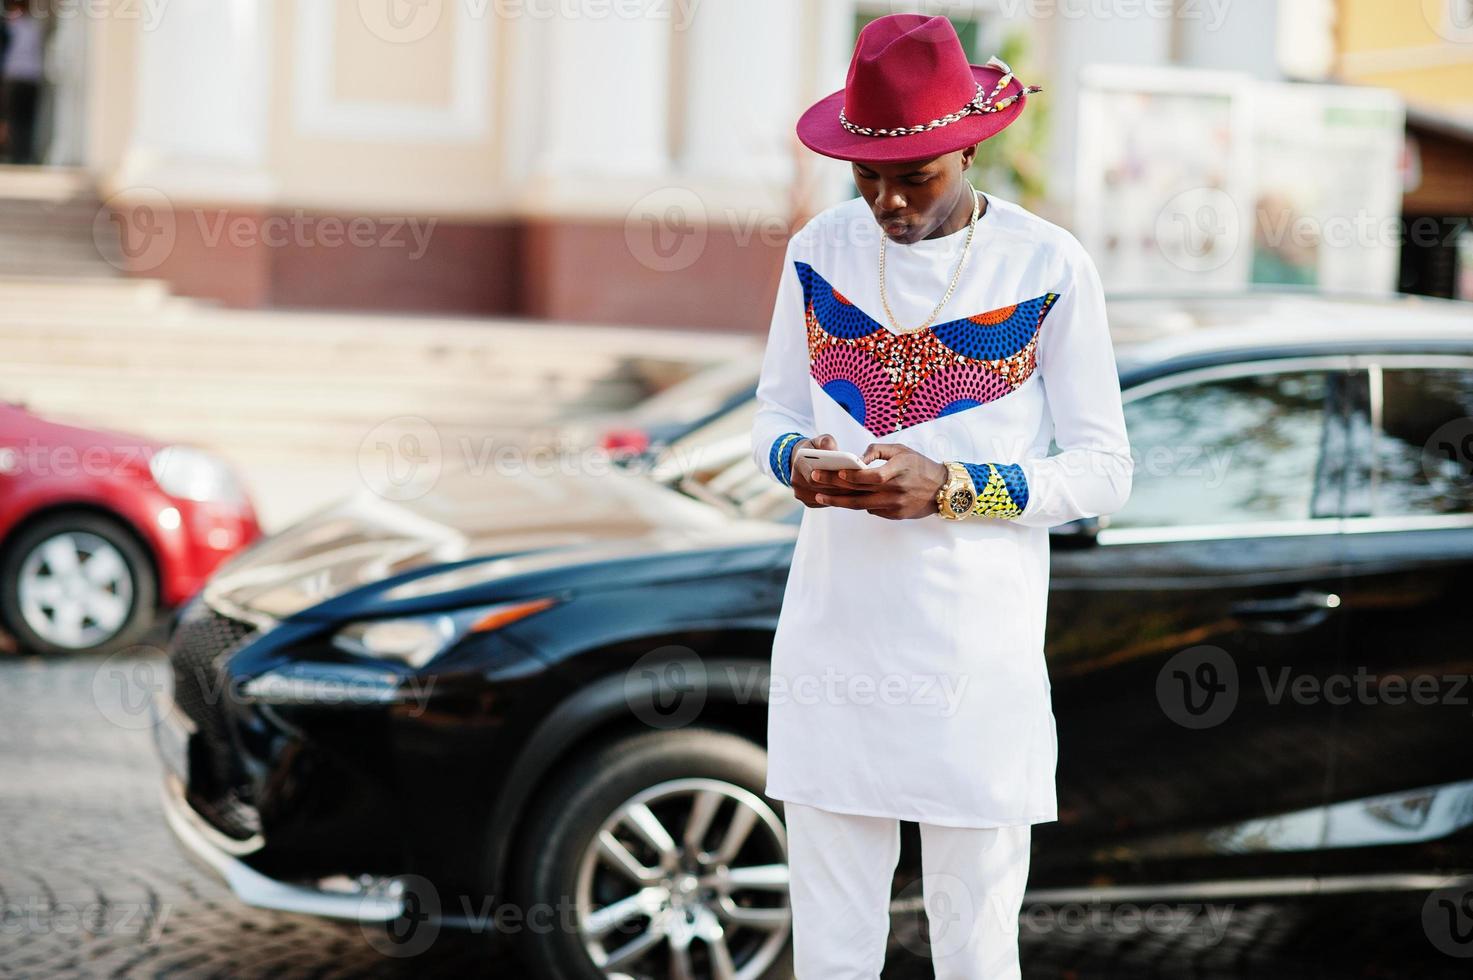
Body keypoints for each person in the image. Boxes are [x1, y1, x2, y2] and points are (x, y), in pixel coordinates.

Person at [751, 14, 1133, 978]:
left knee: (972, 948)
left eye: (912, 176)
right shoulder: (817, 251)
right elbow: (770, 415)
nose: (885, 201)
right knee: (831, 948)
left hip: (975, 657)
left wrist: (954, 486)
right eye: (867, 176)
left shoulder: (1047, 267)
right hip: (832, 644)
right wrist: (798, 461)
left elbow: (1102, 471)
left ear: (966, 147)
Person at [2, 0, 44, 165]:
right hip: (30, 78)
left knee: (16, 118)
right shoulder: (35, 27)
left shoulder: (11, 27)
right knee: (24, 119)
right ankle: (21, 153)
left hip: (17, 77)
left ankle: (18, 154)